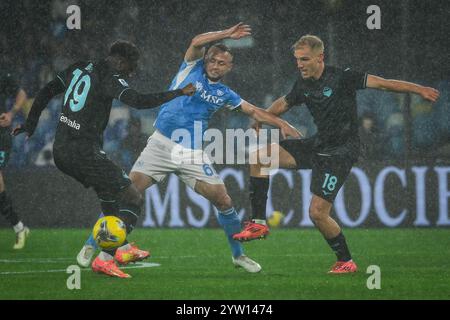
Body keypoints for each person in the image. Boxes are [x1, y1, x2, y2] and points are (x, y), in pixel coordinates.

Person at [78, 23, 301, 273]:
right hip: (160, 145)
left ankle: (238, 256)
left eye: (221, 63)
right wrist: (227, 33)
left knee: (224, 200)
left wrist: (280, 122)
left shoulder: (226, 94)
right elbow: (196, 41)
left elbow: (254, 111)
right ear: (206, 60)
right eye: (212, 60)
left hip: (191, 153)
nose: (215, 66)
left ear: (229, 67)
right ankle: (91, 244)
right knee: (126, 194)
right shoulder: (191, 68)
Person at [233, 35, 440, 273]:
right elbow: (285, 102)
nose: (299, 64)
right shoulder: (303, 83)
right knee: (259, 158)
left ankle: (346, 261)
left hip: (341, 151)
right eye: (297, 60)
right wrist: (263, 117)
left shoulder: (343, 77)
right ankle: (258, 223)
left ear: (320, 57)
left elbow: (383, 83)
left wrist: (418, 89)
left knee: (317, 213)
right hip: (319, 144)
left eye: (305, 59)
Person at [13, 40, 196, 278]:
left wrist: (30, 124)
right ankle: (106, 257)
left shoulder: (78, 67)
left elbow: (47, 90)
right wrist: (179, 92)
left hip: (62, 150)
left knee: (109, 196)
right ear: (119, 61)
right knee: (133, 196)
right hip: (83, 152)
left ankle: (122, 249)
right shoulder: (110, 76)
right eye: (130, 67)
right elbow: (139, 101)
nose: (131, 72)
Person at [0, 71, 30, 249]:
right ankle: (19, 227)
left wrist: (11, 113)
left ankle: (19, 228)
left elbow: (21, 94)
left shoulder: (2, 75)